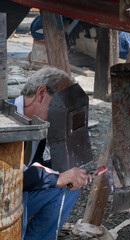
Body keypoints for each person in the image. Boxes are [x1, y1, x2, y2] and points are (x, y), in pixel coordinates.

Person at [11, 66, 91, 240]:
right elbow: (13, 177)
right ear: (41, 94)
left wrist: (67, 173)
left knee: (70, 184)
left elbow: (32, 167)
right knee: (25, 192)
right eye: (60, 104)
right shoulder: (8, 121)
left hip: (18, 190)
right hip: (6, 195)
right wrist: (57, 177)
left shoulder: (38, 121)